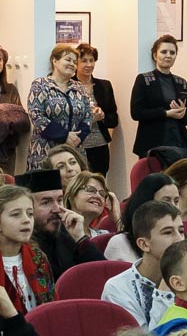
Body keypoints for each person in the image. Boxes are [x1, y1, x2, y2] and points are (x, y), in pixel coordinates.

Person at [102, 200, 183, 327]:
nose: (179, 239)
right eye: (168, 232)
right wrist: (163, 295)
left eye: (181, 231)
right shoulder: (118, 288)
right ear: (144, 244)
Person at [0, 184, 55, 317]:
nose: (26, 220)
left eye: (30, 214)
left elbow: (53, 305)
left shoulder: (38, 257)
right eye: (16, 215)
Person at [25, 44, 93, 172]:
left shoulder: (79, 87)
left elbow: (88, 116)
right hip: (45, 152)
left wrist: (76, 138)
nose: (72, 64)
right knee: (48, 191)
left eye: (74, 62)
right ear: (54, 61)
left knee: (75, 189)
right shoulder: (40, 85)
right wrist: (64, 136)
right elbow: (36, 115)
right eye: (68, 59)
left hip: (74, 151)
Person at [129, 35, 187, 159]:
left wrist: (182, 114)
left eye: (172, 52)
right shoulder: (144, 79)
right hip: (151, 144)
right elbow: (136, 113)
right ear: (155, 56)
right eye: (164, 52)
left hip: (179, 144)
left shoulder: (181, 82)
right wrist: (166, 113)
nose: (168, 55)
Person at [27, 167, 99, 279]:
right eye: (46, 202)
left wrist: (81, 239)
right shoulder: (18, 246)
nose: (57, 209)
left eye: (60, 200)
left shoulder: (69, 237)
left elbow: (102, 275)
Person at [75, 43, 121, 175]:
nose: (89, 64)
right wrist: (88, 119)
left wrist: (103, 115)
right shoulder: (68, 85)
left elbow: (114, 119)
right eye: (84, 60)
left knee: (99, 180)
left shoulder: (104, 85)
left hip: (100, 144)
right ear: (76, 63)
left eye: (92, 60)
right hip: (77, 144)